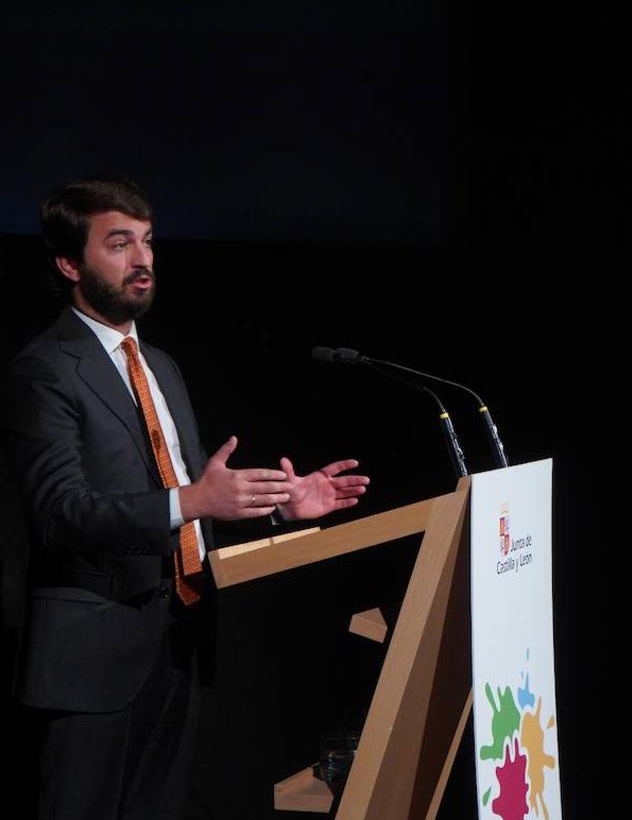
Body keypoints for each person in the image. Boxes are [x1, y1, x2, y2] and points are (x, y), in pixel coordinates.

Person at [0, 174, 370, 819]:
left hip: (177, 644)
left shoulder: (161, 367)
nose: (142, 260)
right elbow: (61, 515)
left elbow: (198, 502)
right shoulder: (45, 370)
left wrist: (279, 505)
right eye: (119, 244)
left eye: (147, 243)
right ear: (69, 263)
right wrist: (194, 502)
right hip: (90, 660)